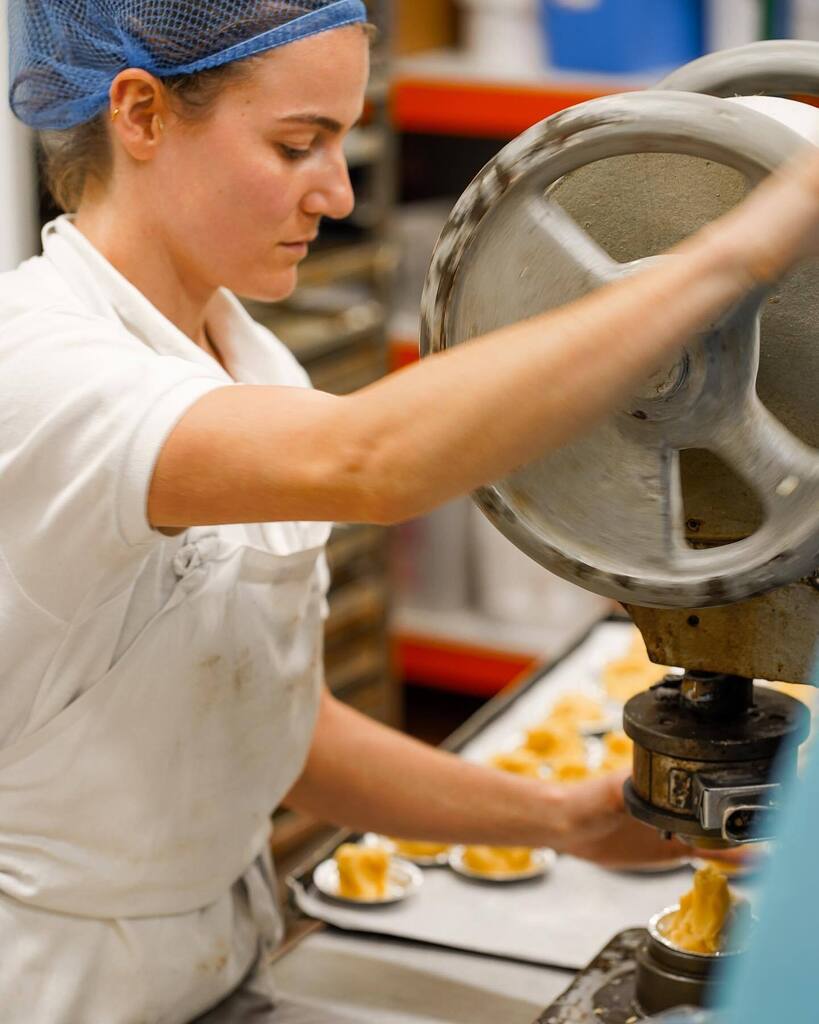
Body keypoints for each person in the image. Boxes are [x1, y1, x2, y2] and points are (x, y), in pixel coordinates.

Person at [4, 1, 819, 1021]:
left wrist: (562, 819)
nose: (339, 193)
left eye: (343, 141)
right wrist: (741, 250)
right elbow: (372, 459)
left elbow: (271, 723)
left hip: (223, 958)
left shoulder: (247, 354)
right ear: (141, 114)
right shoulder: (39, 369)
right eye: (297, 144)